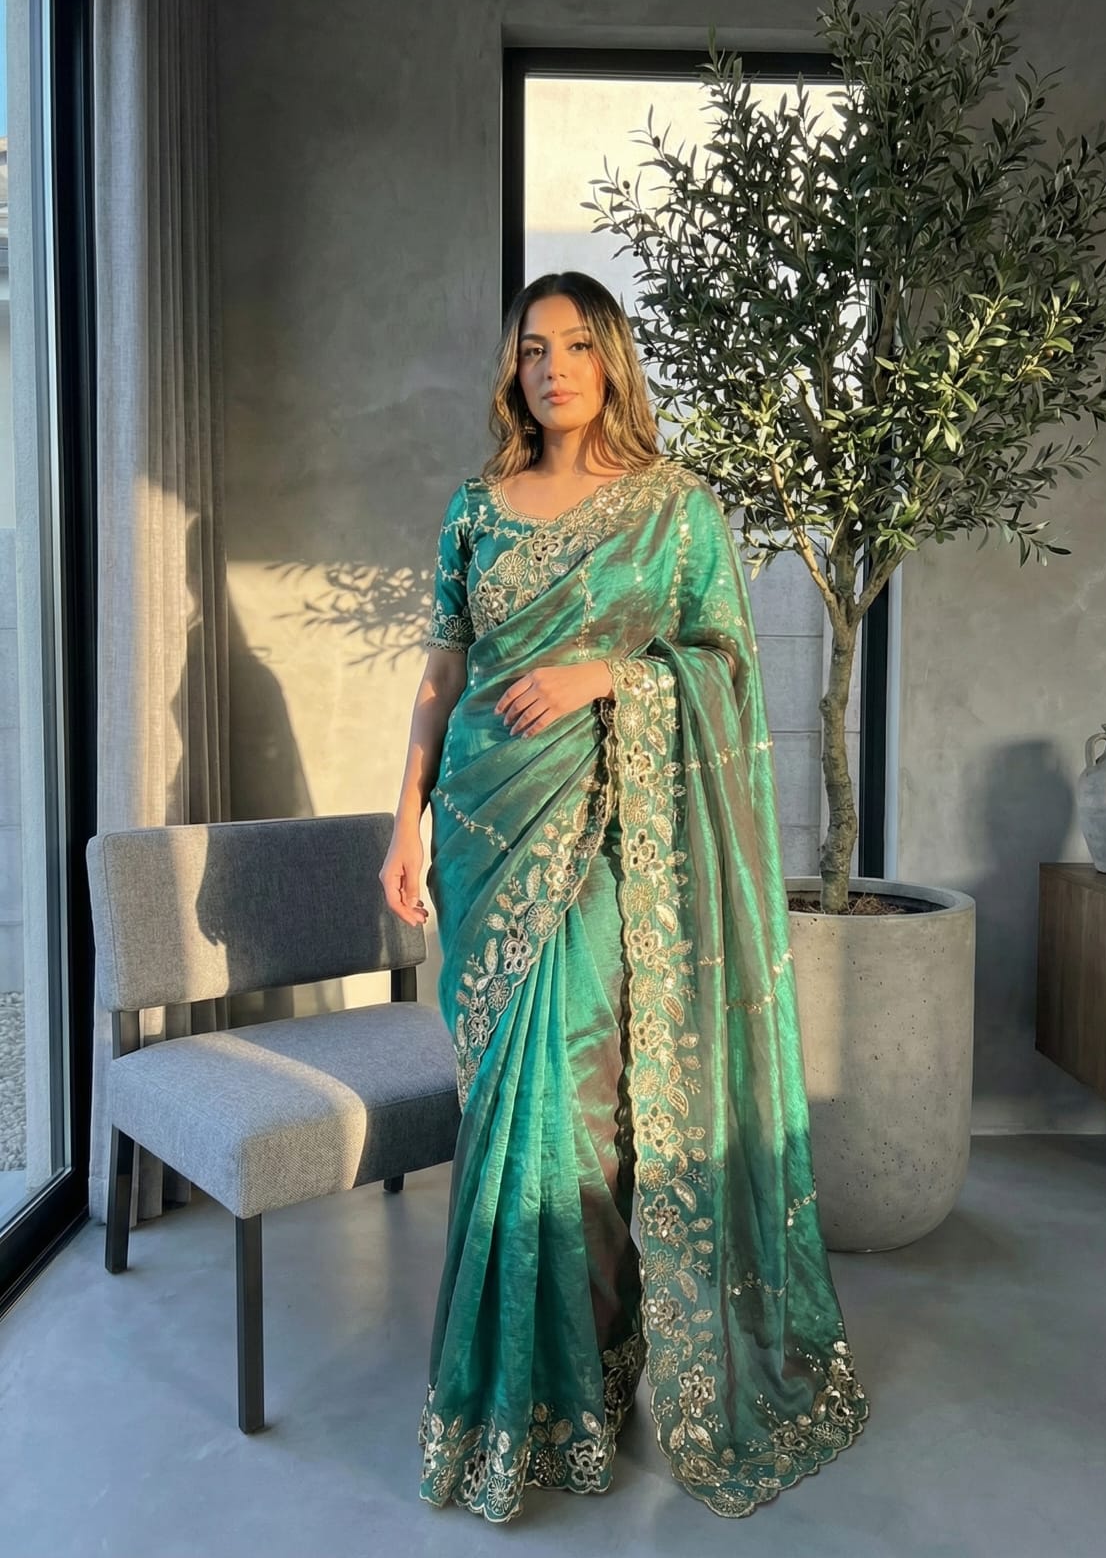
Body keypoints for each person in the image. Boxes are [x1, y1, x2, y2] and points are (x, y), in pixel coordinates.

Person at [380, 269, 868, 1522]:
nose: (552, 368)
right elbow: (444, 666)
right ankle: (508, 1396)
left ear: (612, 361)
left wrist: (608, 673)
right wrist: (404, 821)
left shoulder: (674, 509)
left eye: (576, 346)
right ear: (514, 368)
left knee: (576, 1112)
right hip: (483, 831)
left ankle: (582, 1380)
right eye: (532, 348)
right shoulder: (474, 509)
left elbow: (725, 667)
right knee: (501, 1112)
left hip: (600, 836)